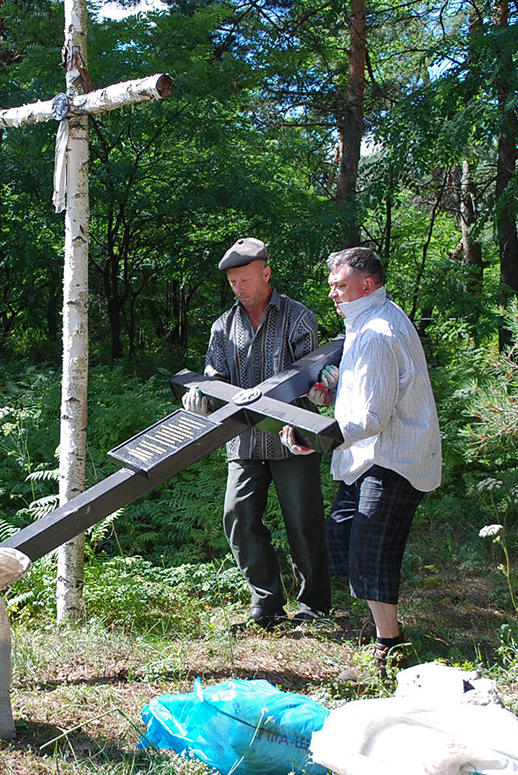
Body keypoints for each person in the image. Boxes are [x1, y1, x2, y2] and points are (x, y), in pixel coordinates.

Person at [280, 246, 441, 668]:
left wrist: (314, 438)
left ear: (367, 285)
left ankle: (390, 645)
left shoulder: (376, 332)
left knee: (371, 549)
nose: (333, 294)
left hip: (393, 457)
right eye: (332, 286)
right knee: (344, 538)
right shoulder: (366, 321)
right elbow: (364, 393)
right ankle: (379, 624)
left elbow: (371, 417)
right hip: (367, 456)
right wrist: (331, 394)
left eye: (340, 286)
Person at [183, 237, 331, 630]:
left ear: (266, 273)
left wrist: (324, 388)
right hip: (244, 440)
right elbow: (214, 379)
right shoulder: (223, 326)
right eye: (233, 282)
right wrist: (200, 398)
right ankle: (266, 604)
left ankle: (314, 605)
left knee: (303, 520)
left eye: (246, 279)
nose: (239, 288)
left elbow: (311, 376)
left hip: (292, 438)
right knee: (237, 515)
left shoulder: (299, 318)